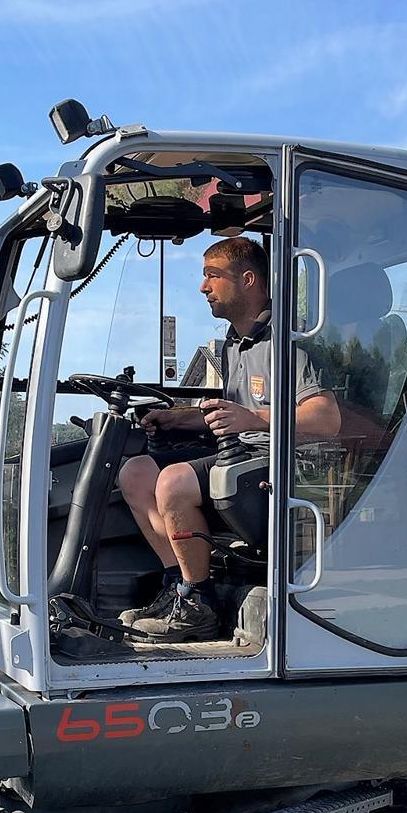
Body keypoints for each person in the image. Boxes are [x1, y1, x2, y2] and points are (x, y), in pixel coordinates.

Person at [117, 235, 340, 642]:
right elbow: (227, 415)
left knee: (173, 483)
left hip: (277, 465)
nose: (203, 287)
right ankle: (178, 587)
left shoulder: (288, 343)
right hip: (238, 453)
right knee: (135, 473)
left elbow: (326, 418)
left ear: (249, 280)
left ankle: (198, 604)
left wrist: (253, 417)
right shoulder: (234, 345)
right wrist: (176, 420)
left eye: (212, 276)